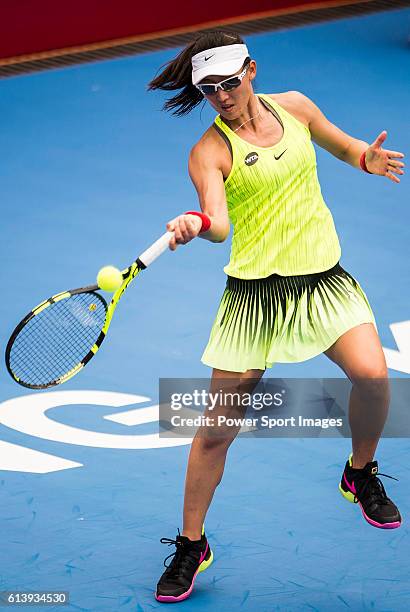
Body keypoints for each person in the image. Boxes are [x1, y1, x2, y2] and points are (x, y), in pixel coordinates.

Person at [148, 31, 405, 603]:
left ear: (252, 71)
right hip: (255, 300)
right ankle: (192, 543)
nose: (221, 96)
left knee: (373, 376)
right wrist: (195, 224)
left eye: (229, 83)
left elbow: (343, 147)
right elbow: (218, 222)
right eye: (209, 89)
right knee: (216, 432)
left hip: (322, 281)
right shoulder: (208, 151)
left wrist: (368, 157)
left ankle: (359, 473)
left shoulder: (296, 107)